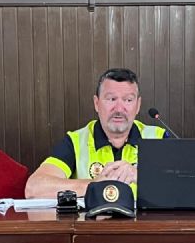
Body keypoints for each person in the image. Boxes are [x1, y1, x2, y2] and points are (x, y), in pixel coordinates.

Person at [25, 68, 168, 198]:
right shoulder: (76, 141)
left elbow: (186, 185)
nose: (119, 108)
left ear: (138, 105)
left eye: (128, 100)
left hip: (146, 226)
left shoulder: (158, 137)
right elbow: (34, 188)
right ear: (96, 103)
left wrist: (141, 175)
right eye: (111, 99)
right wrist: (94, 185)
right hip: (91, 226)